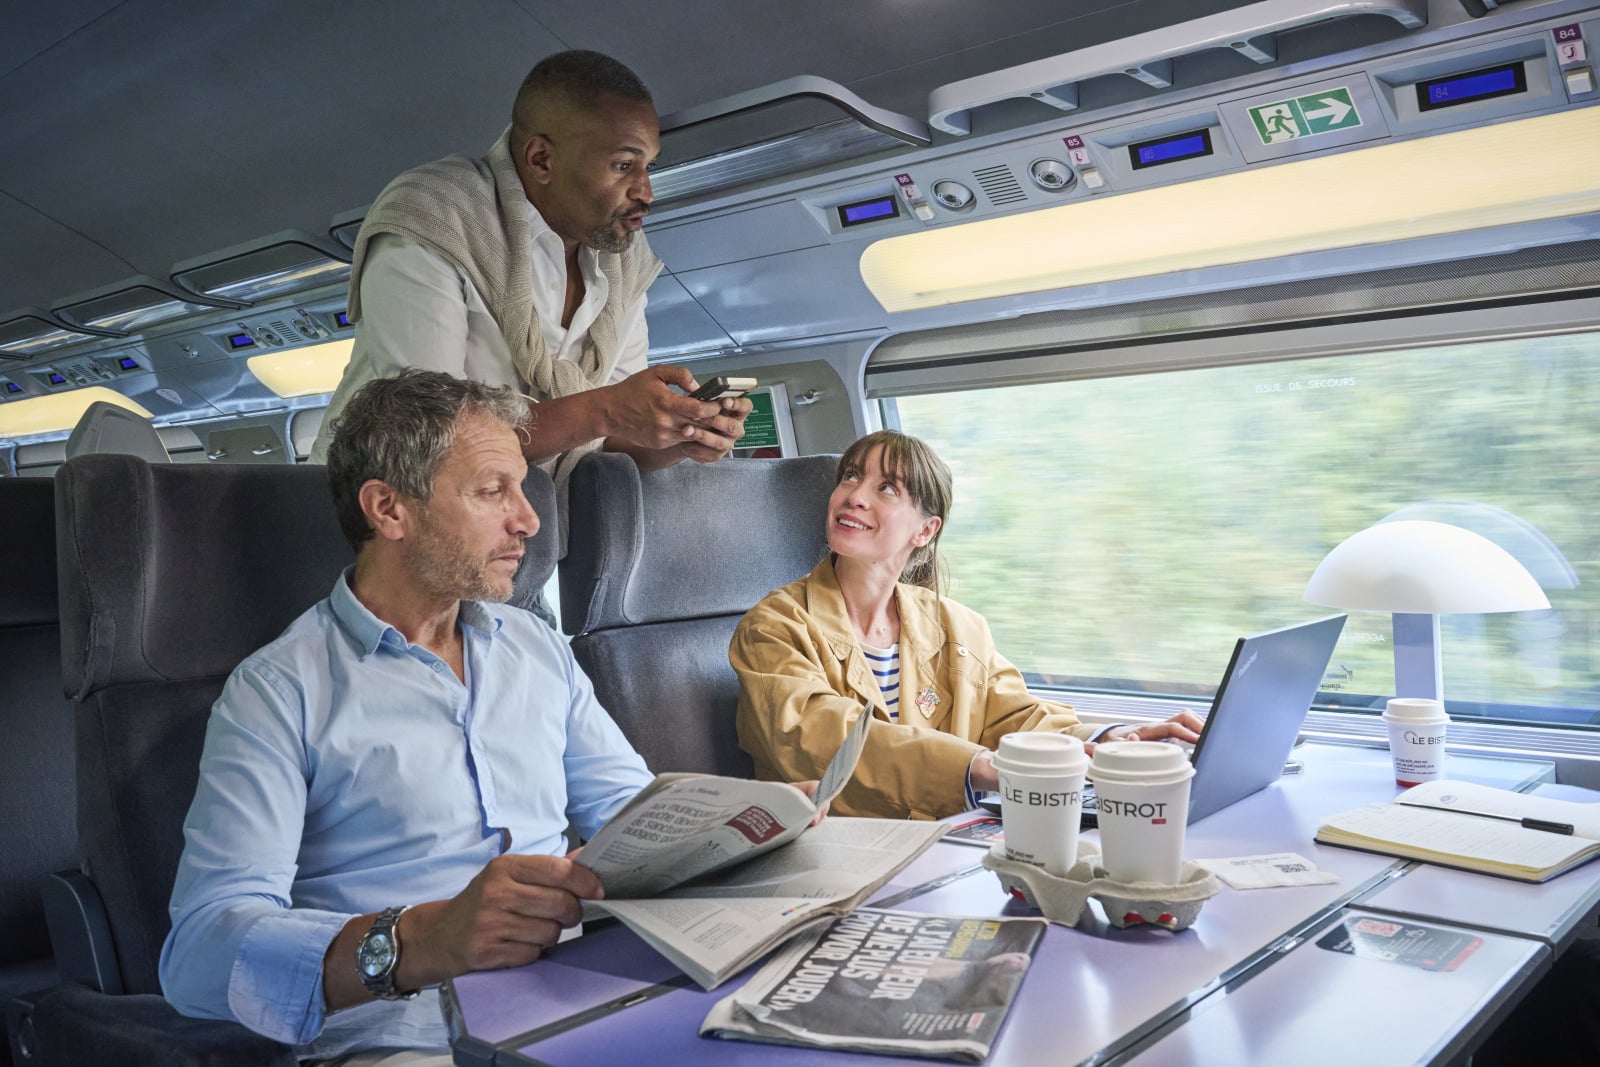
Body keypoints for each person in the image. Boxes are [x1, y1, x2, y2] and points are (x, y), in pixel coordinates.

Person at [160, 370, 670, 1063]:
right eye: (493, 490)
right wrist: (421, 940)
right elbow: (196, 957)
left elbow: (632, 814)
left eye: (521, 488)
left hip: (577, 998)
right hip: (406, 1042)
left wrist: (742, 828)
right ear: (389, 509)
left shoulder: (536, 646)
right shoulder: (279, 691)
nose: (529, 519)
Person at [309, 50, 749, 479]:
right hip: (370, 513)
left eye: (649, 166)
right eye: (622, 165)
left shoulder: (623, 260)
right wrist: (605, 408)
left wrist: (679, 436)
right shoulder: (437, 217)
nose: (646, 192)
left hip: (508, 518)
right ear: (542, 159)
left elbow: (608, 439)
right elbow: (430, 431)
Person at [731, 429, 1203, 821]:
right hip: (836, 844)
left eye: (886, 488)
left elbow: (1014, 716)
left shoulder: (957, 625)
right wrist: (978, 766)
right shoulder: (775, 625)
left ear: (925, 530)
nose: (854, 496)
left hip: (937, 840)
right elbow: (820, 736)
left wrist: (1106, 741)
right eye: (851, 477)